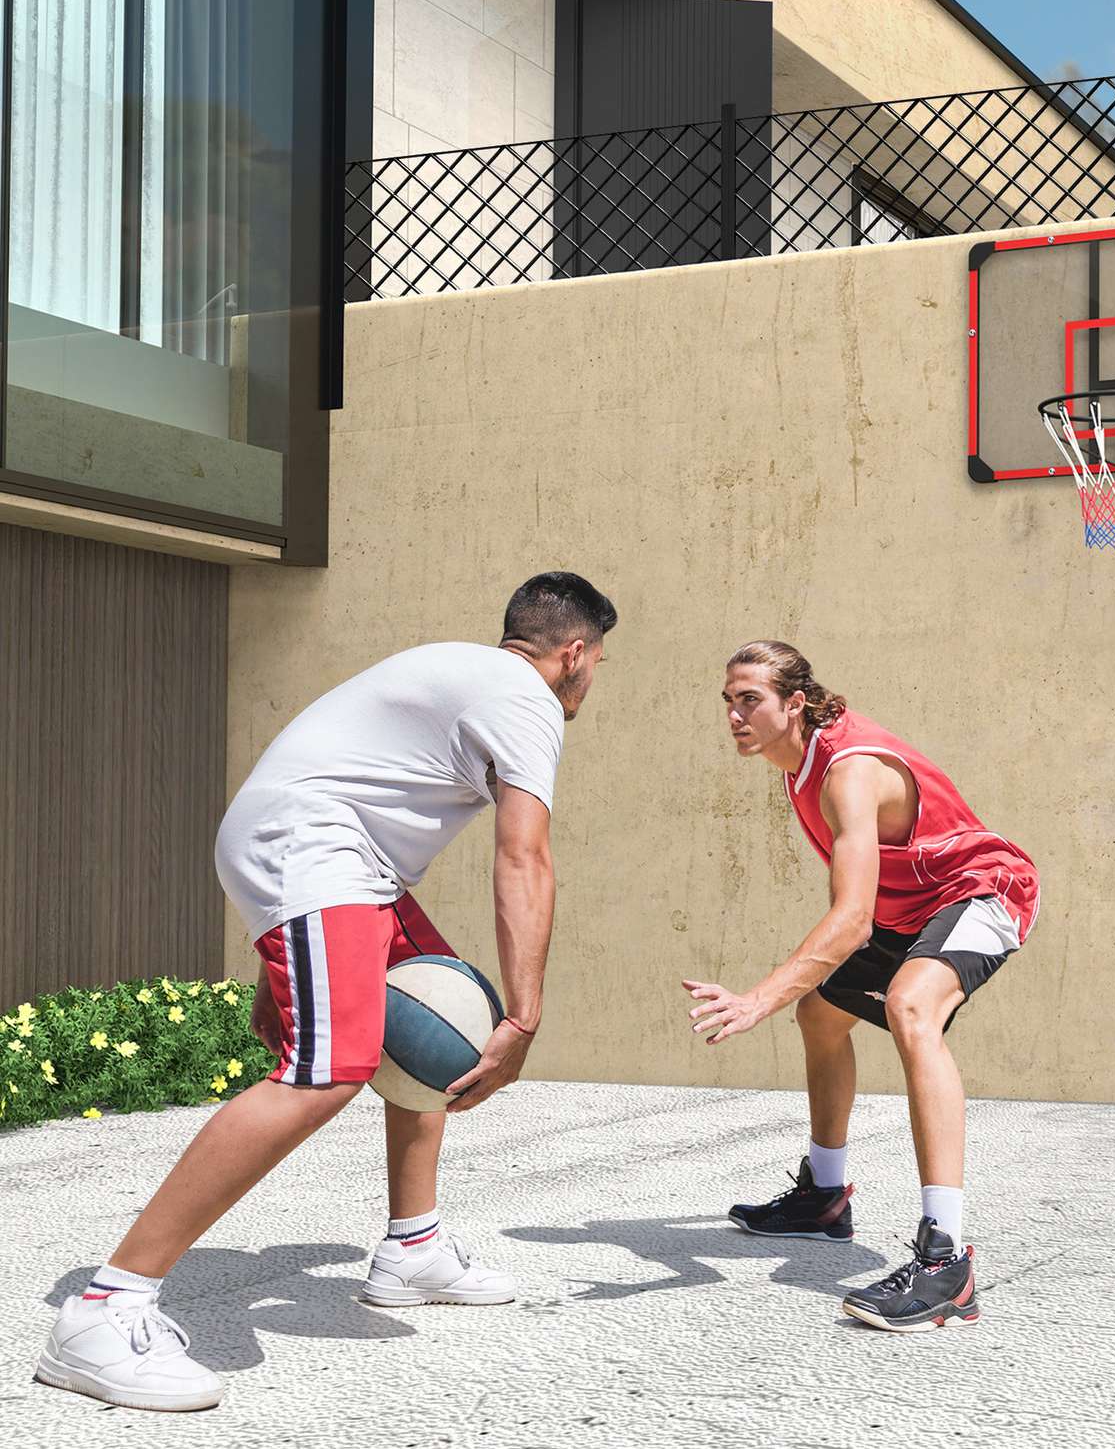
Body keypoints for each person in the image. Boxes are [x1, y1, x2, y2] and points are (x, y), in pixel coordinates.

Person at [36, 572, 616, 1411]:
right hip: (312, 845)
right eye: (597, 662)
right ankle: (105, 1310)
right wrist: (525, 1015)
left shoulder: (468, 672)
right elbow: (524, 857)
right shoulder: (526, 699)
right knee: (330, 1069)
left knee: (435, 1006)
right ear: (574, 654)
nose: (591, 678)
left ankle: (412, 1247)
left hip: (333, 853)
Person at [686, 641, 1038, 1333]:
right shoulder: (798, 762)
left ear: (794, 703)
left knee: (912, 1007)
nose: (734, 714)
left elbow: (849, 921)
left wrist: (759, 997)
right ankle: (823, 1198)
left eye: (749, 699)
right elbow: (859, 906)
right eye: (728, 700)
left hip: (984, 892)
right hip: (909, 912)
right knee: (820, 1013)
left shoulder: (846, 773)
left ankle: (946, 1262)